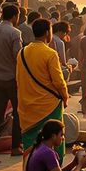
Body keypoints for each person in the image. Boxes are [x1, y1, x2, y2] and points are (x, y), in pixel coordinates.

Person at [16, 19, 69, 159]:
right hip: (49, 105)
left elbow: (19, 79)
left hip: (27, 107)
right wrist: (65, 96)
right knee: (55, 142)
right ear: (47, 33)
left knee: (30, 143)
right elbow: (58, 81)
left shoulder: (22, 53)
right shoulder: (50, 53)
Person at [0, 4, 24, 152]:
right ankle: (15, 145)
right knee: (17, 111)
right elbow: (18, 57)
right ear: (15, 16)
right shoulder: (15, 33)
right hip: (12, 78)